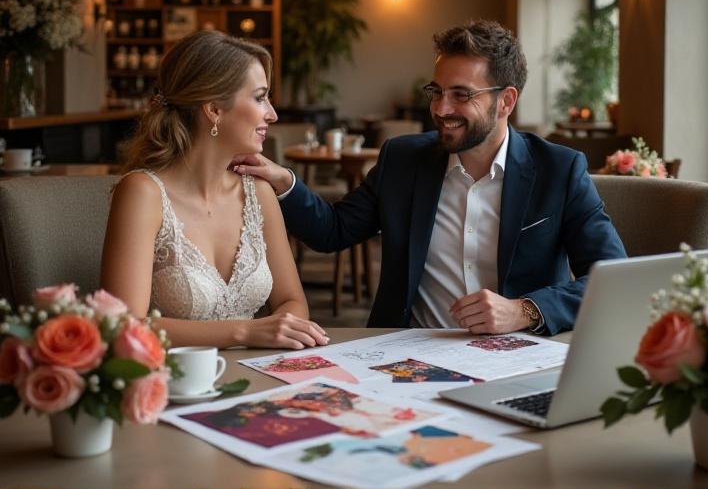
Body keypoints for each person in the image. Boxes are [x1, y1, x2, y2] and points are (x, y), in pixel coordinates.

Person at [232, 20, 626, 335]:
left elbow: (612, 279)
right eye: (436, 92)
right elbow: (333, 231)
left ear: (506, 101)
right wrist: (284, 181)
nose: (441, 108)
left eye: (461, 95)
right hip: (407, 354)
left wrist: (523, 311)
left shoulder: (560, 169)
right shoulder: (404, 159)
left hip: (517, 355)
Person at [101, 30, 328, 350]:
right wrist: (245, 332)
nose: (272, 114)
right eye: (260, 97)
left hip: (260, 375)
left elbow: (292, 302)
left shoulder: (259, 193)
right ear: (214, 109)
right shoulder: (143, 193)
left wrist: (281, 328)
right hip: (174, 382)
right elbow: (124, 323)